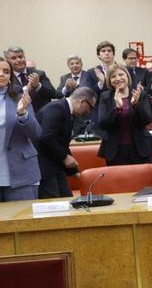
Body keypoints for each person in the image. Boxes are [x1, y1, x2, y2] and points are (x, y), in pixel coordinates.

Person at [36, 87, 97, 198]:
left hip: (57, 168)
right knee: (54, 208)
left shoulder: (65, 110)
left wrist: (74, 172)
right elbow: (45, 137)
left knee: (68, 202)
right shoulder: (56, 108)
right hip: (45, 169)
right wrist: (64, 157)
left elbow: (61, 143)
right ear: (82, 101)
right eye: (90, 108)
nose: (89, 112)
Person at [96, 64, 152, 166]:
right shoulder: (105, 96)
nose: (118, 79)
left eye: (121, 74)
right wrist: (116, 108)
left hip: (141, 148)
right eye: (113, 76)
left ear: (127, 76)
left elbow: (147, 120)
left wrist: (136, 105)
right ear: (109, 80)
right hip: (115, 150)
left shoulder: (140, 94)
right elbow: (102, 123)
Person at [0, 58, 41, 202]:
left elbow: (35, 133)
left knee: (23, 222)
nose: (2, 75)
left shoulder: (19, 98)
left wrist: (23, 114)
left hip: (21, 172)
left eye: (6, 72)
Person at [5, 46, 55, 114]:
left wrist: (38, 86)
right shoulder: (6, 78)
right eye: (14, 58)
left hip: (43, 116)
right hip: (19, 117)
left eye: (20, 57)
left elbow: (53, 94)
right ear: (8, 62)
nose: (19, 60)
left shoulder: (39, 74)